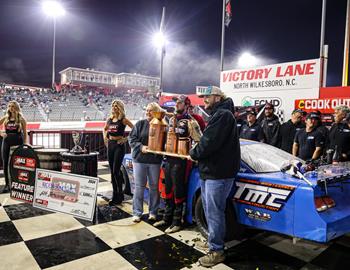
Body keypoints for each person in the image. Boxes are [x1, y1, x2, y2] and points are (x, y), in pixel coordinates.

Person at [189, 86, 240, 268]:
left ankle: (217, 251)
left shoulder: (223, 115)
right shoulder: (220, 114)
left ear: (218, 97)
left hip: (217, 173)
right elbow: (208, 141)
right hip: (212, 171)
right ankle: (213, 243)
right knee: (211, 210)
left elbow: (209, 143)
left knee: (214, 211)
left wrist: (193, 152)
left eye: (207, 97)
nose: (204, 100)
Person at [154, 95, 202, 234]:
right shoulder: (172, 119)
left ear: (186, 105)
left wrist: (192, 155)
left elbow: (200, 140)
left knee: (178, 191)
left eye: (179, 102)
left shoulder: (191, 121)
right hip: (168, 159)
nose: (177, 105)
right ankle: (167, 218)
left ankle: (177, 222)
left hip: (182, 161)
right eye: (176, 102)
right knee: (168, 189)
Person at [128, 102, 163, 223]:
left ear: (156, 112)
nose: (148, 112)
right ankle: (137, 212)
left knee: (154, 187)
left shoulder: (162, 125)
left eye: (151, 110)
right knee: (139, 187)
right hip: (140, 160)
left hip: (154, 161)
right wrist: (141, 147)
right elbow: (131, 139)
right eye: (147, 110)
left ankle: (153, 212)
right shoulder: (140, 124)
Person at [103, 100, 133, 206]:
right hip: (110, 145)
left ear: (120, 107)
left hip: (119, 146)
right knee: (112, 171)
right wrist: (105, 139)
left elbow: (135, 130)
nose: (114, 107)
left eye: (116, 105)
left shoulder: (123, 120)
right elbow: (105, 129)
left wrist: (125, 139)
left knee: (116, 171)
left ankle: (119, 195)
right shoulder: (110, 119)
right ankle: (115, 195)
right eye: (113, 105)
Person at [0, 101, 27, 193]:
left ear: (17, 107)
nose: (11, 108)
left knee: (19, 163)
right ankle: (7, 185)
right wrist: (1, 133)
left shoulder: (21, 118)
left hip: (18, 140)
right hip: (7, 141)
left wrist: (25, 144)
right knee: (5, 162)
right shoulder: (6, 118)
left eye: (13, 106)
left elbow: (25, 133)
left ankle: (19, 184)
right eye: (10, 106)